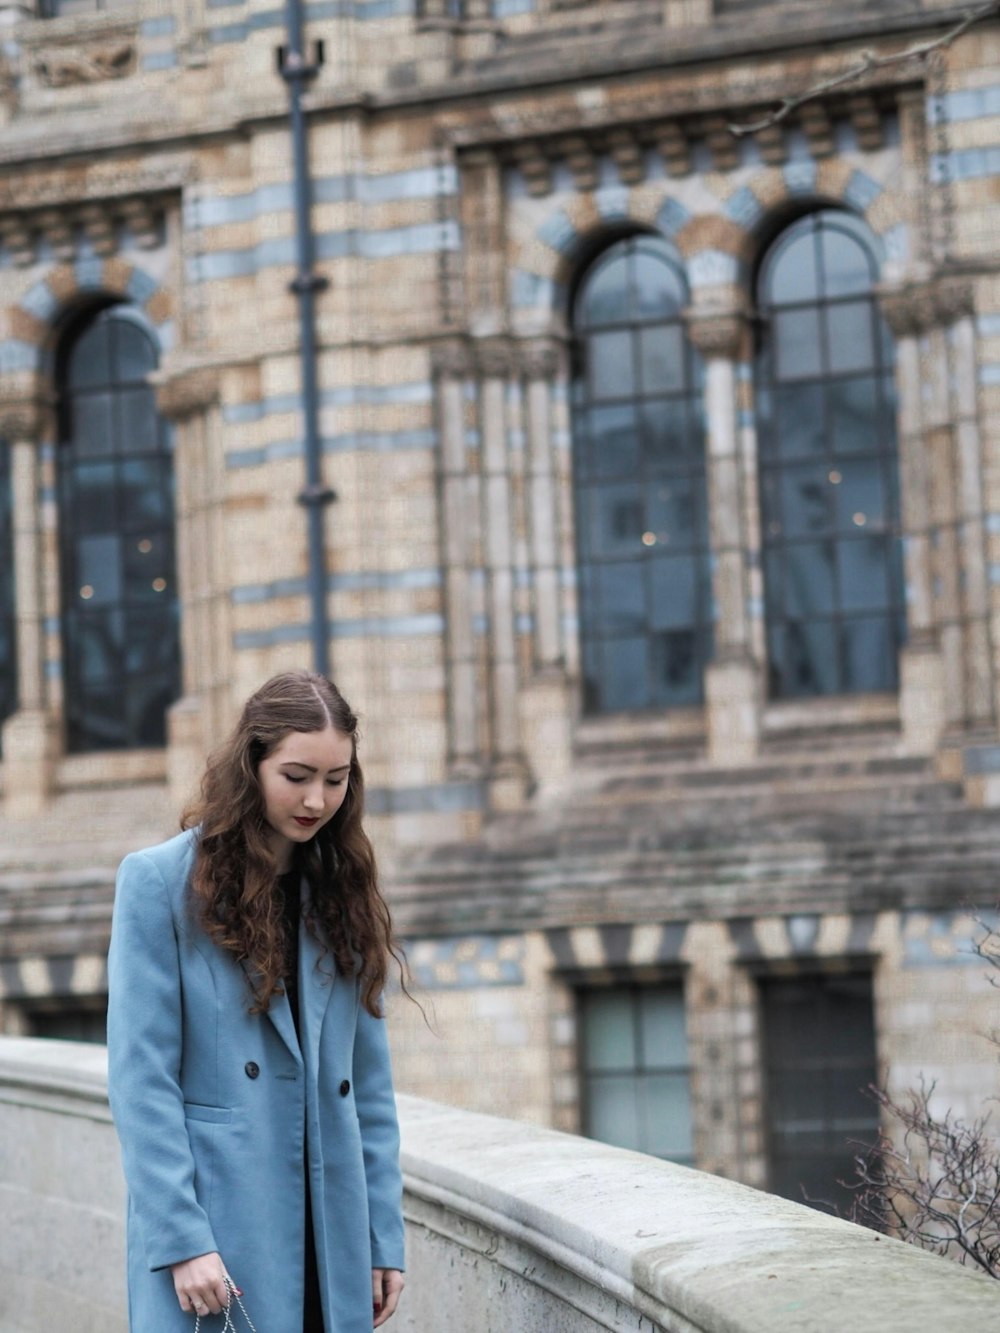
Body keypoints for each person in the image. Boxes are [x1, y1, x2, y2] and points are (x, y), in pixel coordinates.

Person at [107, 671, 406, 1332]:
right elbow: (141, 1081)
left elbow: (370, 1089)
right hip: (218, 1232)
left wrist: (383, 1234)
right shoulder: (160, 883)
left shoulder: (339, 891)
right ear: (252, 763)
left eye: (336, 779)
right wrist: (182, 1238)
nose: (316, 798)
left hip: (330, 1236)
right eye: (296, 774)